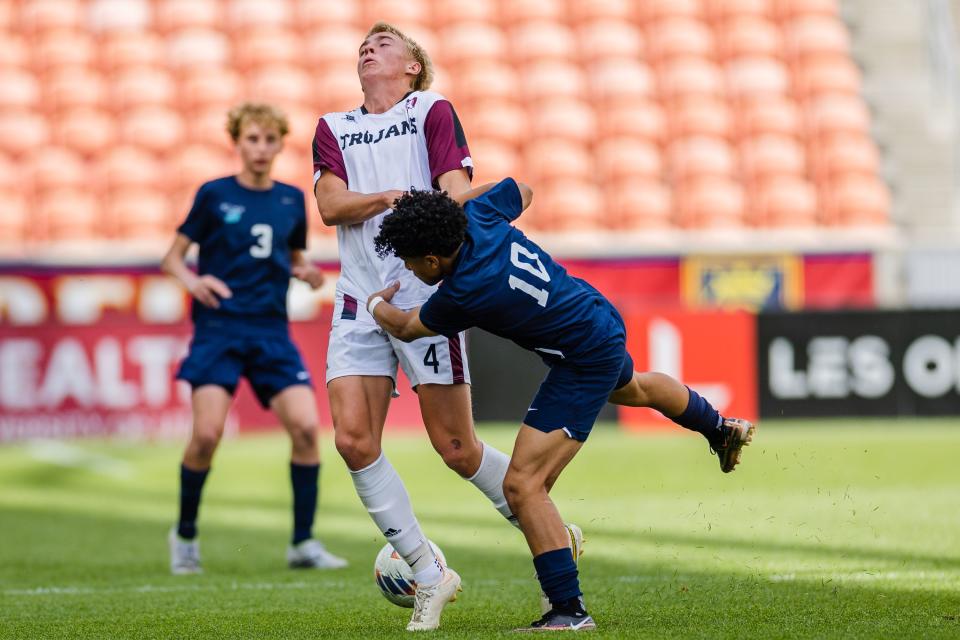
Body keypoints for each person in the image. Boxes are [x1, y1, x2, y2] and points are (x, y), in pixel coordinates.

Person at [366, 178, 756, 632]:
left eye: (413, 263)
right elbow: (524, 190)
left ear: (433, 259)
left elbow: (409, 327)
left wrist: (375, 304)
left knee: (523, 486)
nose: (411, 271)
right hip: (597, 317)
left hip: (582, 357)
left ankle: (569, 610)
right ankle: (720, 428)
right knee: (636, 389)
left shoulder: (464, 289)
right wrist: (451, 206)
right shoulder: (480, 216)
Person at [312, 23, 577, 630]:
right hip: (358, 295)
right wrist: (394, 197)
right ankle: (429, 574)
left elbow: (454, 193)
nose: (369, 46)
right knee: (353, 441)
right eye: (364, 44)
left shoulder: (430, 109)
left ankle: (550, 531)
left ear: (413, 67)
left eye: (386, 43)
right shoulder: (334, 126)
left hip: (426, 289)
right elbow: (329, 206)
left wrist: (420, 206)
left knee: (455, 448)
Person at [162, 103, 347, 575]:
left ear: (280, 145)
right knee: (206, 436)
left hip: (270, 331)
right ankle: (184, 535)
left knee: (307, 429)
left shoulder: (290, 199)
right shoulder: (213, 194)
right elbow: (173, 259)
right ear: (237, 142)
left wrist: (304, 272)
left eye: (270, 140)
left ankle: (303, 543)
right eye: (252, 139)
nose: (261, 148)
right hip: (219, 329)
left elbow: (293, 257)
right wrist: (193, 282)